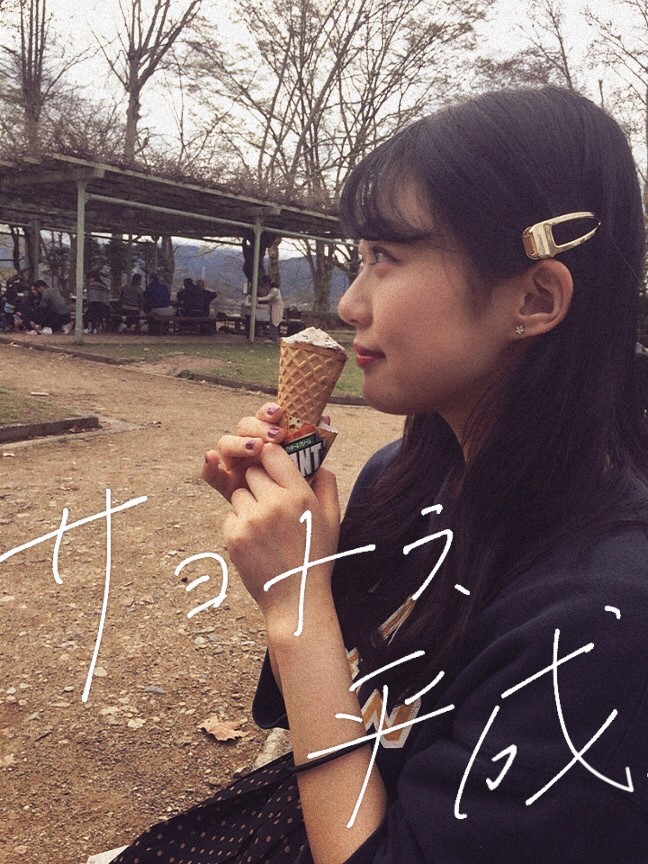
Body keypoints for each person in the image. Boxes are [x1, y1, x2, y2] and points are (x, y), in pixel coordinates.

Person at [113, 86, 648, 863]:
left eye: (386, 258)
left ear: (534, 299)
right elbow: (324, 709)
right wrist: (301, 558)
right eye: (359, 258)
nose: (350, 304)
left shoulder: (607, 617)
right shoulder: (402, 475)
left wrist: (298, 605)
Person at [257, 276, 285, 343]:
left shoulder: (274, 290)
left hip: (277, 306)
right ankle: (271, 337)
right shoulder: (271, 289)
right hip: (273, 306)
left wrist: (258, 299)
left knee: (274, 322)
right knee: (271, 321)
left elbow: (268, 298)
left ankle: (274, 338)